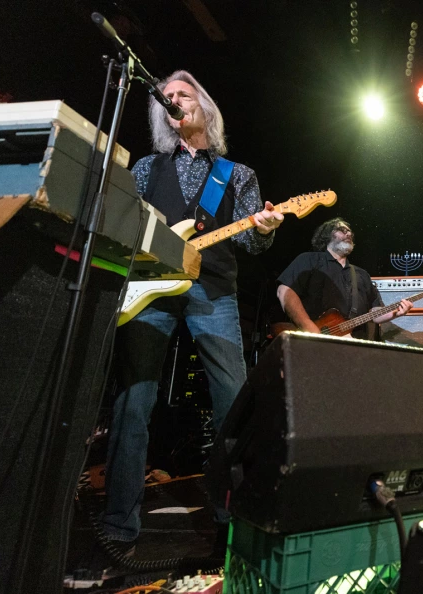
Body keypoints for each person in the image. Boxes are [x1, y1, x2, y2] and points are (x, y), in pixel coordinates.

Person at [102, 70, 284, 552]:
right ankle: (118, 525)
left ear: (203, 106)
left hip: (213, 289)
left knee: (234, 402)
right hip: (151, 290)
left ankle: (232, 519)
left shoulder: (236, 174)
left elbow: (251, 243)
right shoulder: (146, 167)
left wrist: (264, 228)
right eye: (166, 97)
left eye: (183, 94)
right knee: (132, 402)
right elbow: (125, 225)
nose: (174, 101)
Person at [276, 218, 412, 337]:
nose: (348, 234)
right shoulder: (309, 260)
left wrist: (396, 313)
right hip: (311, 344)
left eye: (350, 232)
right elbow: (284, 291)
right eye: (342, 230)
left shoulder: (362, 274)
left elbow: (375, 313)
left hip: (354, 348)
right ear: (327, 235)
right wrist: (309, 327)